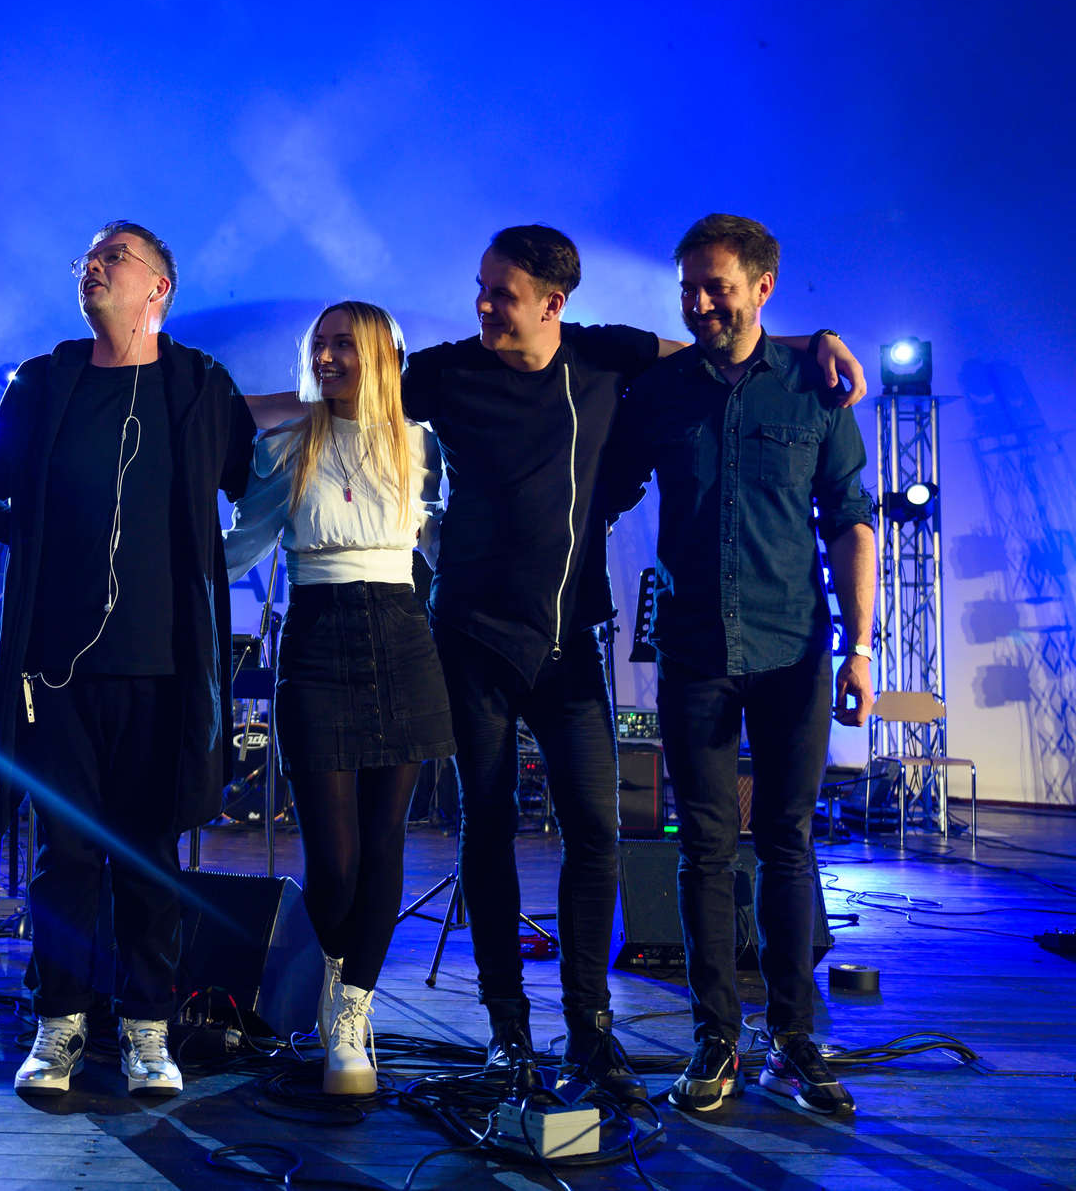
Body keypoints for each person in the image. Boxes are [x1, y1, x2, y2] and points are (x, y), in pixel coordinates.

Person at [242, 225, 865, 1098]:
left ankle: (589, 1030)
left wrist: (814, 340)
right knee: (487, 830)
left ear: (553, 303)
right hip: (470, 640)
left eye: (501, 293)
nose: (483, 305)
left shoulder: (606, 357)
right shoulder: (449, 372)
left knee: (595, 835)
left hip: (572, 644)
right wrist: (217, 411)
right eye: (481, 288)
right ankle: (508, 1033)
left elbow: (718, 345)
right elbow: (347, 388)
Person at [0, 220, 256, 1097]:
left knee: (149, 854)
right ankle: (58, 1024)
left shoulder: (199, 385)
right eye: (86, 258)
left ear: (158, 287)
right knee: (65, 854)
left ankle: (147, 1031)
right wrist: (31, 540)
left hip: (163, 669)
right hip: (54, 673)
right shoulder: (45, 380)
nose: (92, 267)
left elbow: (262, 483)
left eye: (113, 257)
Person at [603, 214, 876, 1117]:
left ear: (763, 287)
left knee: (789, 844)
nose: (699, 303)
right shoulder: (661, 391)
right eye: (688, 287)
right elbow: (602, 491)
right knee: (704, 851)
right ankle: (716, 1040)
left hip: (794, 651)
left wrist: (861, 647)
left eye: (716, 286)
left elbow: (850, 519)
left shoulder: (815, 388)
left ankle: (794, 1041)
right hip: (694, 654)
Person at [222, 301, 451, 1095]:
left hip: (403, 636)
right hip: (318, 640)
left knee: (386, 843)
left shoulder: (422, 444)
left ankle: (352, 1014)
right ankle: (324, 999)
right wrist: (151, 572)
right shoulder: (287, 445)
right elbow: (239, 547)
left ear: (381, 355)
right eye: (318, 345)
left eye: (344, 345)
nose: (326, 357)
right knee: (335, 856)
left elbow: (448, 545)